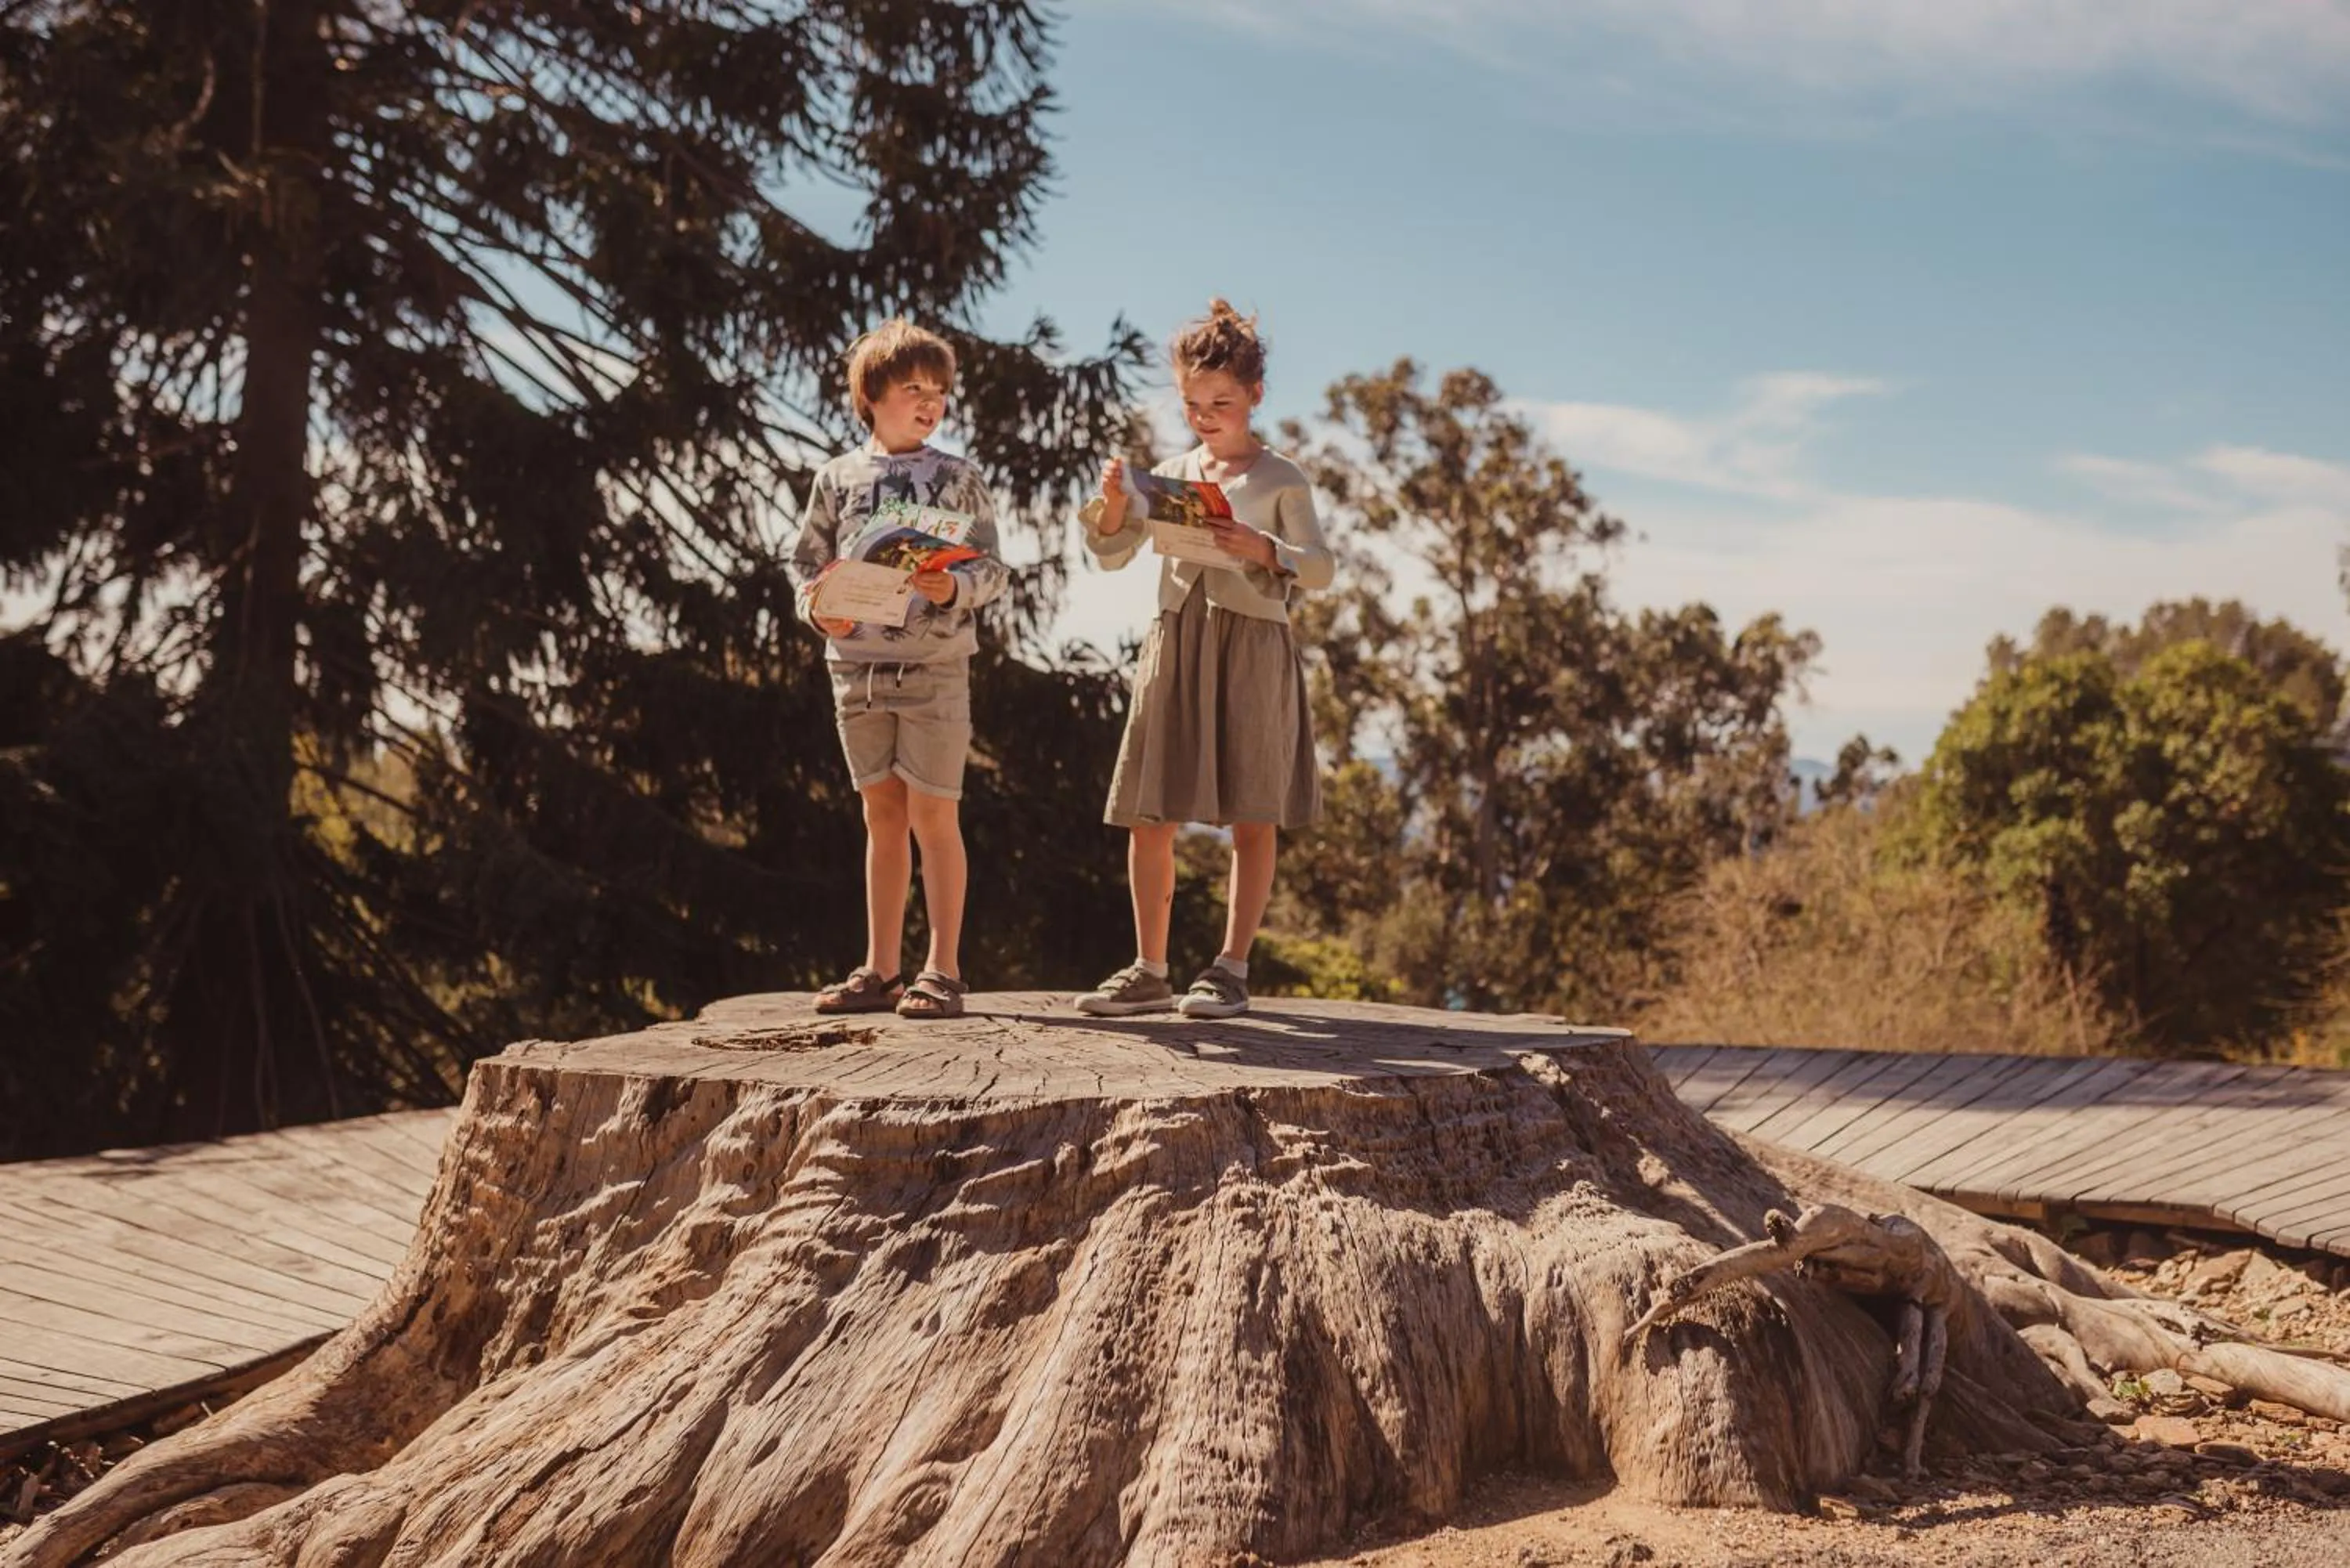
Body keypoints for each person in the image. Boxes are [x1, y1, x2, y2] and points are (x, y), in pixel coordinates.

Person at [1074, 300, 1332, 1019]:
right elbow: (1111, 552)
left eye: (1221, 401)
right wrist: (1118, 507)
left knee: (1254, 809)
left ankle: (1230, 968)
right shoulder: (1169, 471)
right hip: (1176, 636)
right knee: (1149, 808)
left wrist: (1266, 550)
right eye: (1193, 404)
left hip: (1252, 647)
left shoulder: (1284, 479)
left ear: (1254, 395)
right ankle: (1149, 969)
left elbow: (1321, 568)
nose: (1206, 414)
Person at [793, 319, 1005, 1020]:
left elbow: (993, 568)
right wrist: (818, 609)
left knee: (934, 816)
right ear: (871, 394)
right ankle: (881, 969)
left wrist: (957, 587)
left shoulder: (959, 478)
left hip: (936, 668)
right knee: (881, 816)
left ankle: (942, 969)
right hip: (855, 671)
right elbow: (806, 565)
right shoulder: (836, 478)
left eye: (939, 391)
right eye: (913, 387)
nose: (930, 401)